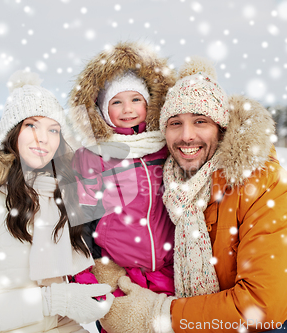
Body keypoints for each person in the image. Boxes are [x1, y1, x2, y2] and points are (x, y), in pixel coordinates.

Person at [97, 58, 287, 333]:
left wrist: (159, 315)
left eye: (200, 121)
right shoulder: (172, 185)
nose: (186, 136)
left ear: (221, 127)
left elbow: (263, 307)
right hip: (219, 322)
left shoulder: (263, 183)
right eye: (175, 123)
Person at [0, 70, 114, 333]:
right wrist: (54, 301)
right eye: (31, 125)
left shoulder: (54, 197)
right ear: (11, 133)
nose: (43, 138)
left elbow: (59, 317)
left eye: (53, 129)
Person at [67, 42, 177, 331]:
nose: (127, 109)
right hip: (119, 276)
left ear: (149, 104)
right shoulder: (92, 156)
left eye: (135, 99)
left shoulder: (166, 149)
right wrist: (88, 277)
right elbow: (79, 224)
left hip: (171, 275)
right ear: (102, 111)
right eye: (116, 102)